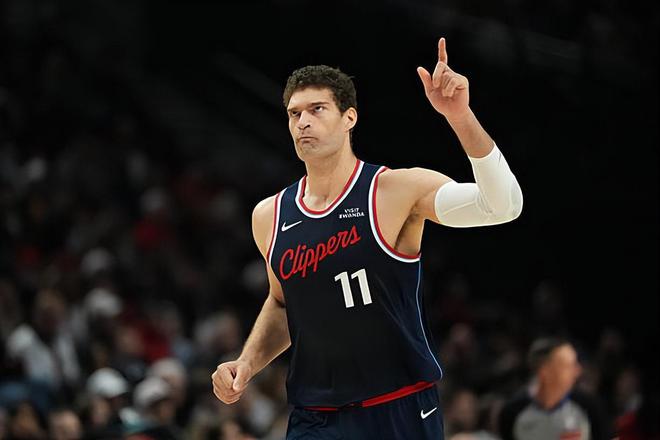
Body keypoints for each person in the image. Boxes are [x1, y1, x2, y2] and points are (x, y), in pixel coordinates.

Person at [212, 37, 524, 439]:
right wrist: (247, 363)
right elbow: (283, 303)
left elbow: (502, 206)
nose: (303, 121)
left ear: (350, 118)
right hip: (316, 415)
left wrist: (461, 117)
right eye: (294, 113)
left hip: (399, 406)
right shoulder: (269, 215)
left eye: (317, 109)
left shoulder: (394, 190)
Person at [498, 337, 611, 440]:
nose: (578, 371)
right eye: (568, 366)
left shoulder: (589, 406)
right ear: (544, 372)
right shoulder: (512, 412)